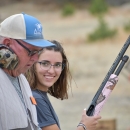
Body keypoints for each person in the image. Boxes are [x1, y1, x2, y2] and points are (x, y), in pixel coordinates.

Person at [25, 40, 101, 130]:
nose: (52, 71)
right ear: (33, 64)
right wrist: (84, 126)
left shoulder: (38, 94)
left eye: (57, 65)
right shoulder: (35, 97)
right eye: (45, 64)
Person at [0, 13, 55, 130]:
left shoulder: (21, 78)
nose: (35, 59)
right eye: (31, 51)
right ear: (7, 44)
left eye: (38, 52)